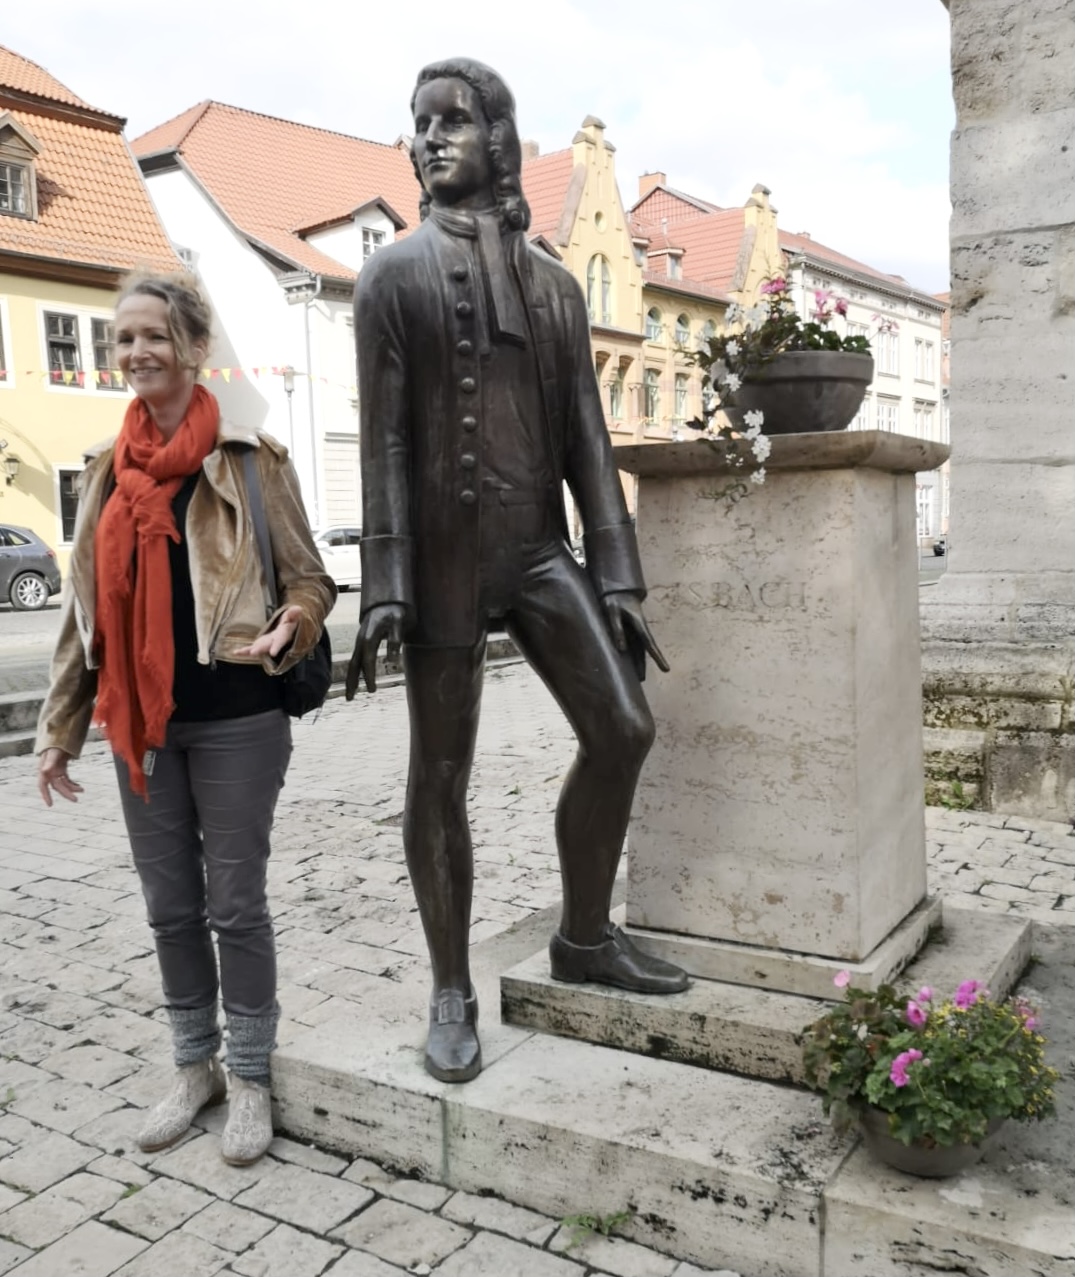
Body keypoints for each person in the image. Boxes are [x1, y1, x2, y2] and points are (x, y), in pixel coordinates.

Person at [348, 57, 688, 1086]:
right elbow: (386, 449)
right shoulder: (392, 275)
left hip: (540, 549)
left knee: (624, 726)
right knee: (439, 772)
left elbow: (587, 434)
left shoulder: (553, 285)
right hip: (443, 559)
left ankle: (584, 936)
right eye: (417, 123)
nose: (427, 138)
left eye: (450, 121)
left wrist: (617, 574)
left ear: (498, 138)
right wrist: (387, 584)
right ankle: (451, 985)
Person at [35, 272, 335, 1164]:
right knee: (171, 909)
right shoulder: (102, 472)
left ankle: (249, 1075)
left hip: (239, 717)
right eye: (122, 338)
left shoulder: (249, 459)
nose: (135, 352)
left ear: (195, 348)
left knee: (234, 905)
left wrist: (296, 621)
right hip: (142, 727)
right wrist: (59, 729)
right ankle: (193, 1064)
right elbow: (82, 613)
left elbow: (311, 577)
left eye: (153, 336)